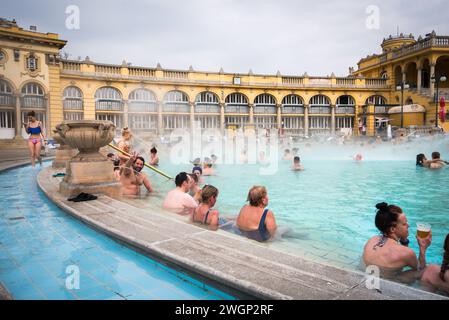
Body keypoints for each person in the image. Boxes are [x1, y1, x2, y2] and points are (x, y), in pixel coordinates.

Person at [362, 202, 432, 283]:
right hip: (386, 284)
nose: (408, 225)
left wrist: (404, 240)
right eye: (404, 224)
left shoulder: (371, 240)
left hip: (369, 278)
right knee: (426, 271)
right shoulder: (407, 253)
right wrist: (423, 248)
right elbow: (420, 269)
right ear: (392, 229)